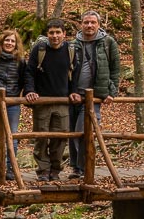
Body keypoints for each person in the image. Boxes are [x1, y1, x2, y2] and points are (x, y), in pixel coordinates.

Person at [25, 19, 82, 182]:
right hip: (42, 101)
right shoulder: (39, 49)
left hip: (62, 101)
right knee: (41, 137)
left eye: (58, 32)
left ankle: (55, 169)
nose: (55, 36)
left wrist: (74, 92)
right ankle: (43, 169)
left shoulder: (71, 50)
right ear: (47, 34)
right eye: (51, 32)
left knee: (61, 137)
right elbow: (29, 72)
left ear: (64, 34)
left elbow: (75, 74)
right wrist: (30, 90)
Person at [69, 11, 121, 179]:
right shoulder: (73, 44)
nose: (89, 25)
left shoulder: (108, 42)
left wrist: (112, 91)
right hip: (75, 96)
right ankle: (76, 168)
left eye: (92, 22)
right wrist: (71, 91)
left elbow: (115, 68)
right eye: (86, 22)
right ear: (81, 24)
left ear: (99, 24)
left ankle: (85, 169)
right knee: (72, 133)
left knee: (85, 132)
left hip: (95, 97)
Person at [0, 29, 29, 180]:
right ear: (1, 42)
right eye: (7, 40)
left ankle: (10, 167)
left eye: (12, 41)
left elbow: (23, 79)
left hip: (13, 102)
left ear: (16, 44)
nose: (9, 43)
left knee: (13, 136)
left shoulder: (20, 61)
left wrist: (18, 95)